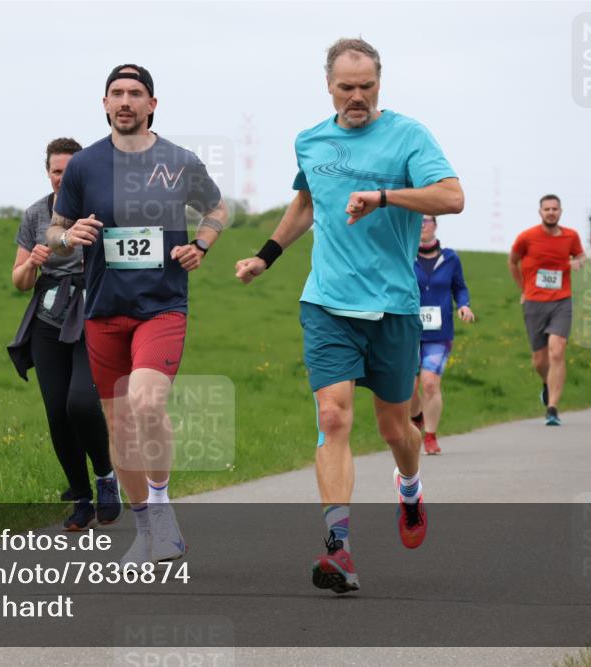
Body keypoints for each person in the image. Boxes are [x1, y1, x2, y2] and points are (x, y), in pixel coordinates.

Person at [235, 38, 463, 594]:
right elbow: (308, 202)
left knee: (395, 428)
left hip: (392, 306)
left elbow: (452, 197)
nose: (357, 96)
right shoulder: (311, 140)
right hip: (327, 302)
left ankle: (409, 488)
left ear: (379, 83)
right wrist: (266, 255)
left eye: (367, 86)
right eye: (346, 87)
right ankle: (339, 551)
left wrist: (384, 197)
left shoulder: (409, 135)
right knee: (333, 417)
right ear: (329, 86)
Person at [46, 65, 228, 564]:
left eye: (135, 94)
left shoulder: (179, 160)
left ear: (152, 104)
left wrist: (203, 245)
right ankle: (147, 530)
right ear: (104, 103)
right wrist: (68, 236)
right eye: (117, 93)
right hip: (104, 309)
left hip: (162, 305)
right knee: (120, 424)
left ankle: (164, 509)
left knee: (146, 404)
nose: (125, 101)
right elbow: (54, 232)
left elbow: (217, 208)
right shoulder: (83, 165)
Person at [7, 137, 121, 531]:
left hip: (93, 312)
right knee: (57, 412)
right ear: (49, 173)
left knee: (81, 404)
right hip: (48, 316)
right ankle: (81, 498)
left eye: (70, 170)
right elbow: (19, 280)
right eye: (57, 171)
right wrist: (33, 262)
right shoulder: (36, 214)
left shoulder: (103, 209)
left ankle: (106, 476)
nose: (63, 177)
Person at [508, 194, 587, 426]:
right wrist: (523, 288)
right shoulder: (527, 237)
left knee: (557, 350)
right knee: (539, 360)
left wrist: (578, 262)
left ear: (560, 211)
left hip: (562, 301)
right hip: (534, 302)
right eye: (547, 209)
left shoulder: (571, 236)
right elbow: (512, 261)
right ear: (540, 212)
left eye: (555, 209)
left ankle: (552, 408)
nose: (551, 212)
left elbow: (581, 255)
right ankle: (546, 383)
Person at [409, 215, 475, 454]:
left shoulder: (450, 258)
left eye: (426, 221)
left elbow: (460, 287)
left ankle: (430, 436)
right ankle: (416, 416)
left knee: (429, 383)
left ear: (435, 225)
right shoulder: (405, 255)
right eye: (418, 222)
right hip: (409, 331)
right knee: (408, 387)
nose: (422, 225)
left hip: (439, 332)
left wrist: (464, 305)